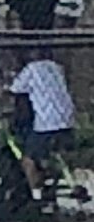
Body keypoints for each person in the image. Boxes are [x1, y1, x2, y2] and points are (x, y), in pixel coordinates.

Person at [8, 52, 77, 197]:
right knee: (56, 152)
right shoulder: (56, 67)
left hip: (46, 122)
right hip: (67, 119)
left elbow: (15, 89)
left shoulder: (31, 69)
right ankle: (58, 177)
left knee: (28, 159)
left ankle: (36, 194)